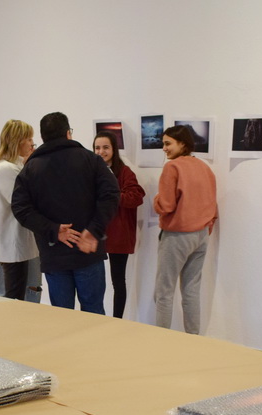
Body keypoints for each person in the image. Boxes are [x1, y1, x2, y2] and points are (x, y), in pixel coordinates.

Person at [11, 112, 119, 313]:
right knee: (94, 315)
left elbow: (20, 208)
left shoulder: (31, 168)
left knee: (62, 317)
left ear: (43, 137)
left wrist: (53, 230)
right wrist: (93, 230)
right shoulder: (91, 160)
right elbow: (111, 195)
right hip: (87, 250)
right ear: (68, 133)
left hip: (54, 253)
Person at [153, 125, 217, 334]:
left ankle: (162, 339)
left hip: (177, 236)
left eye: (168, 143)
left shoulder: (172, 167)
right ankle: (193, 339)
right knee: (191, 291)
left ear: (182, 144)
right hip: (201, 235)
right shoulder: (204, 167)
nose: (164, 148)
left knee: (164, 292)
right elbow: (212, 202)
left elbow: (166, 205)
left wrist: (155, 200)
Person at [93, 130, 145, 318]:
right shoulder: (90, 171)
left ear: (114, 149)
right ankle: (94, 317)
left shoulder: (124, 172)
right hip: (95, 233)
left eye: (105, 147)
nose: (101, 152)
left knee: (118, 281)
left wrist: (112, 195)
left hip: (118, 234)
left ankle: (117, 320)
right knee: (94, 281)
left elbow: (136, 198)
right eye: (97, 148)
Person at [0, 119, 40, 300]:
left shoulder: (13, 167)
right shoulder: (7, 169)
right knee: (14, 297)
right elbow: (25, 202)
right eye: (29, 139)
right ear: (18, 141)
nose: (32, 144)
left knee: (20, 293)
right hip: (12, 244)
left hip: (17, 243)